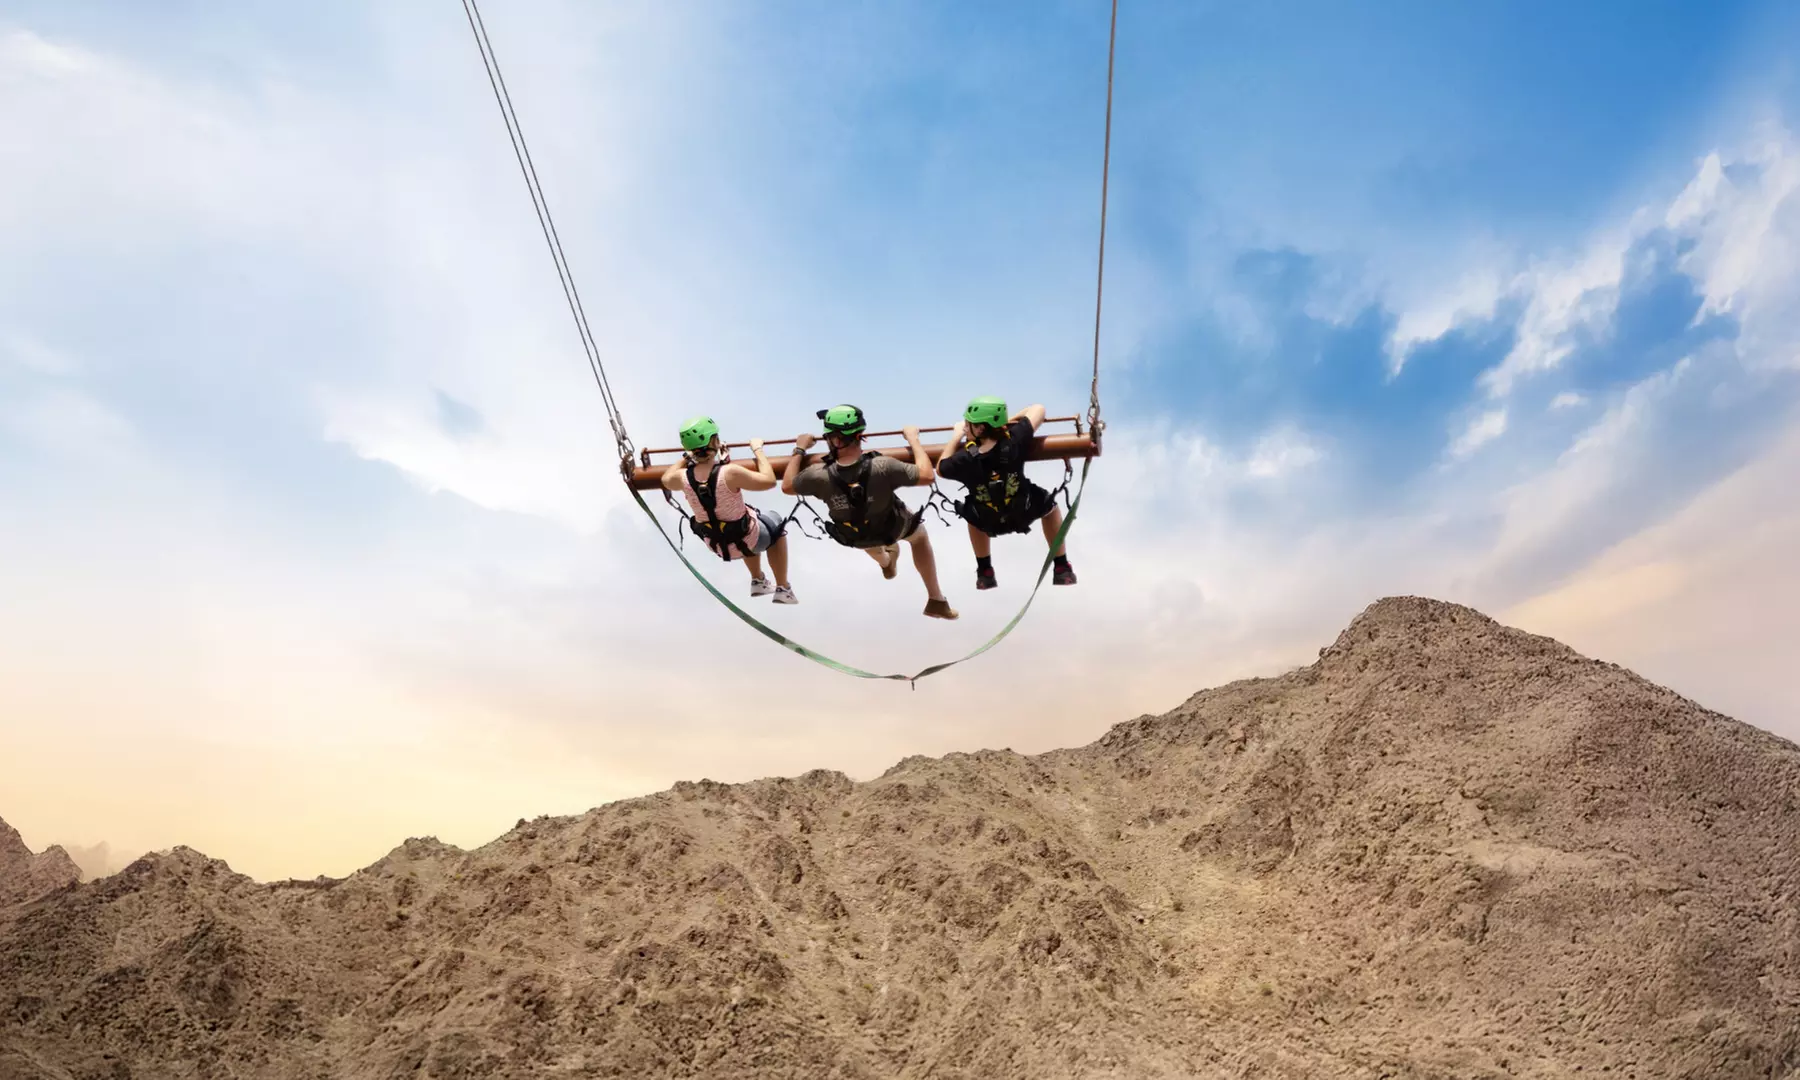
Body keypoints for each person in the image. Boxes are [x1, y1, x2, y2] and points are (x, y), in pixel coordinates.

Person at [781, 404, 958, 620]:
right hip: (891, 529)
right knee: (918, 536)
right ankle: (936, 598)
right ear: (860, 436)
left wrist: (800, 449)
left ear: (832, 439)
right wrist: (913, 439)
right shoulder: (883, 465)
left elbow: (787, 486)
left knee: (858, 523)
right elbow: (927, 475)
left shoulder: (817, 474)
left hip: (851, 537)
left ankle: (885, 561)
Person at [934, 396, 1076, 590]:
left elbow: (941, 468)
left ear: (981, 429)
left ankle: (985, 571)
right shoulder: (1016, 438)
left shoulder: (964, 459)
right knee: (1050, 508)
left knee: (971, 513)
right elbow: (1038, 408)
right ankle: (1061, 566)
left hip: (987, 520)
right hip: (1023, 510)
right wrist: (1006, 424)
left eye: (969, 424)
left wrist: (956, 437)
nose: (966, 426)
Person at [661, 415, 796, 604]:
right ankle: (783, 588)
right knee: (773, 521)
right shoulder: (730, 472)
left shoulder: (681, 477)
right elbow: (769, 481)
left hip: (717, 545)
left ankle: (758, 579)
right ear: (714, 441)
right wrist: (758, 450)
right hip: (746, 540)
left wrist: (686, 457)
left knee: (747, 522)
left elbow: (666, 478)